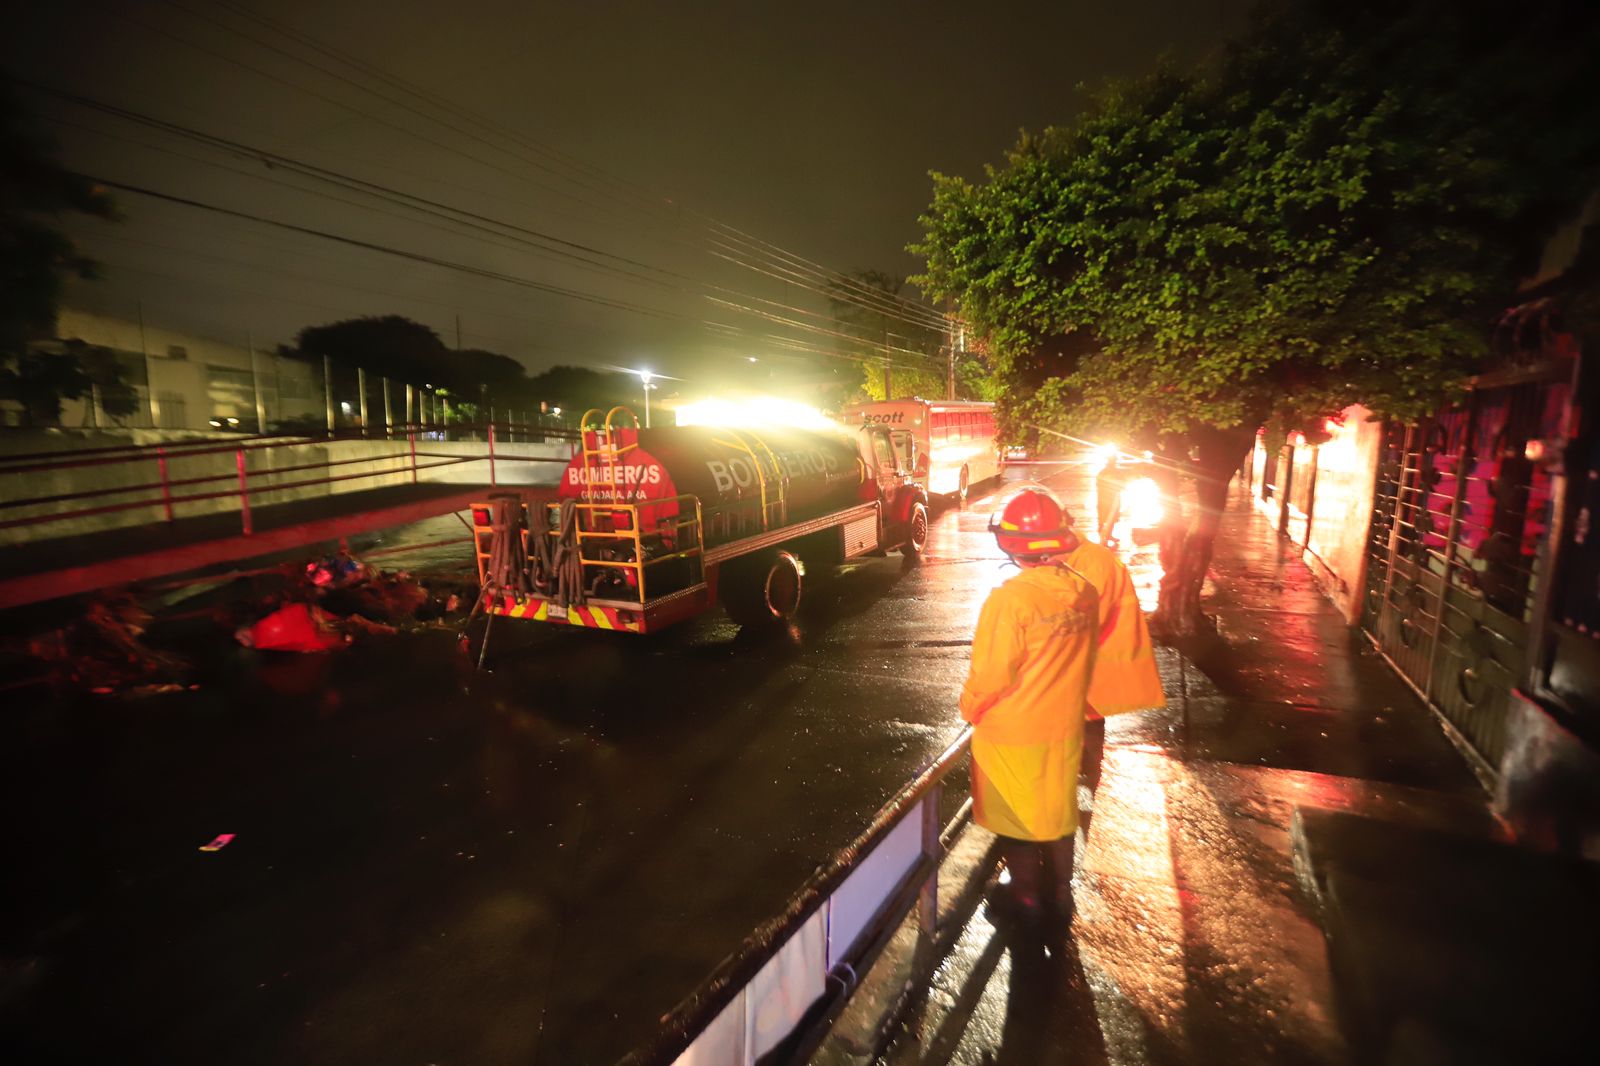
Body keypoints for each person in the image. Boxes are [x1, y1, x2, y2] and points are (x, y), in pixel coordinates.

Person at [960, 489, 1165, 926]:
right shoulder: (1083, 591)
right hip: (1063, 727)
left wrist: (970, 708)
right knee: (1057, 811)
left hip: (1014, 732)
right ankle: (1059, 891)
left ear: (1010, 545)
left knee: (1017, 820)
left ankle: (1026, 899)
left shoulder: (1010, 600)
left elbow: (991, 677)